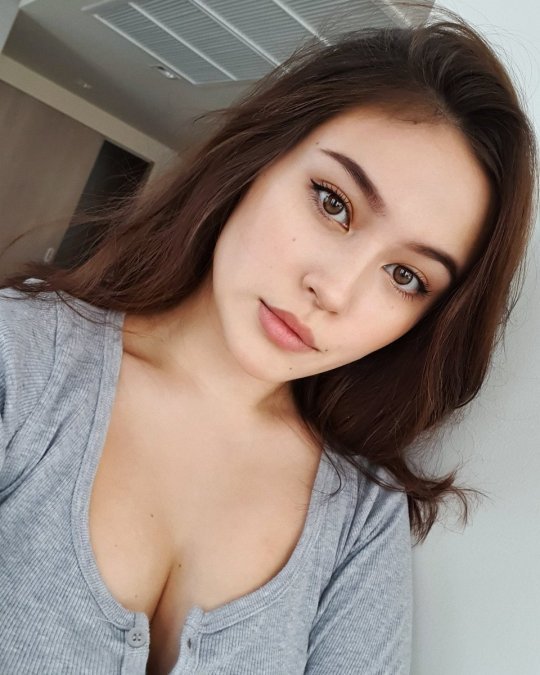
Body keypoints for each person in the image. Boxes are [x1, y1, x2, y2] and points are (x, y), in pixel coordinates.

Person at [0, 9, 536, 675]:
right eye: (333, 202)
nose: (333, 291)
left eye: (405, 276)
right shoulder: (20, 357)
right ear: (258, 159)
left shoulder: (360, 515)